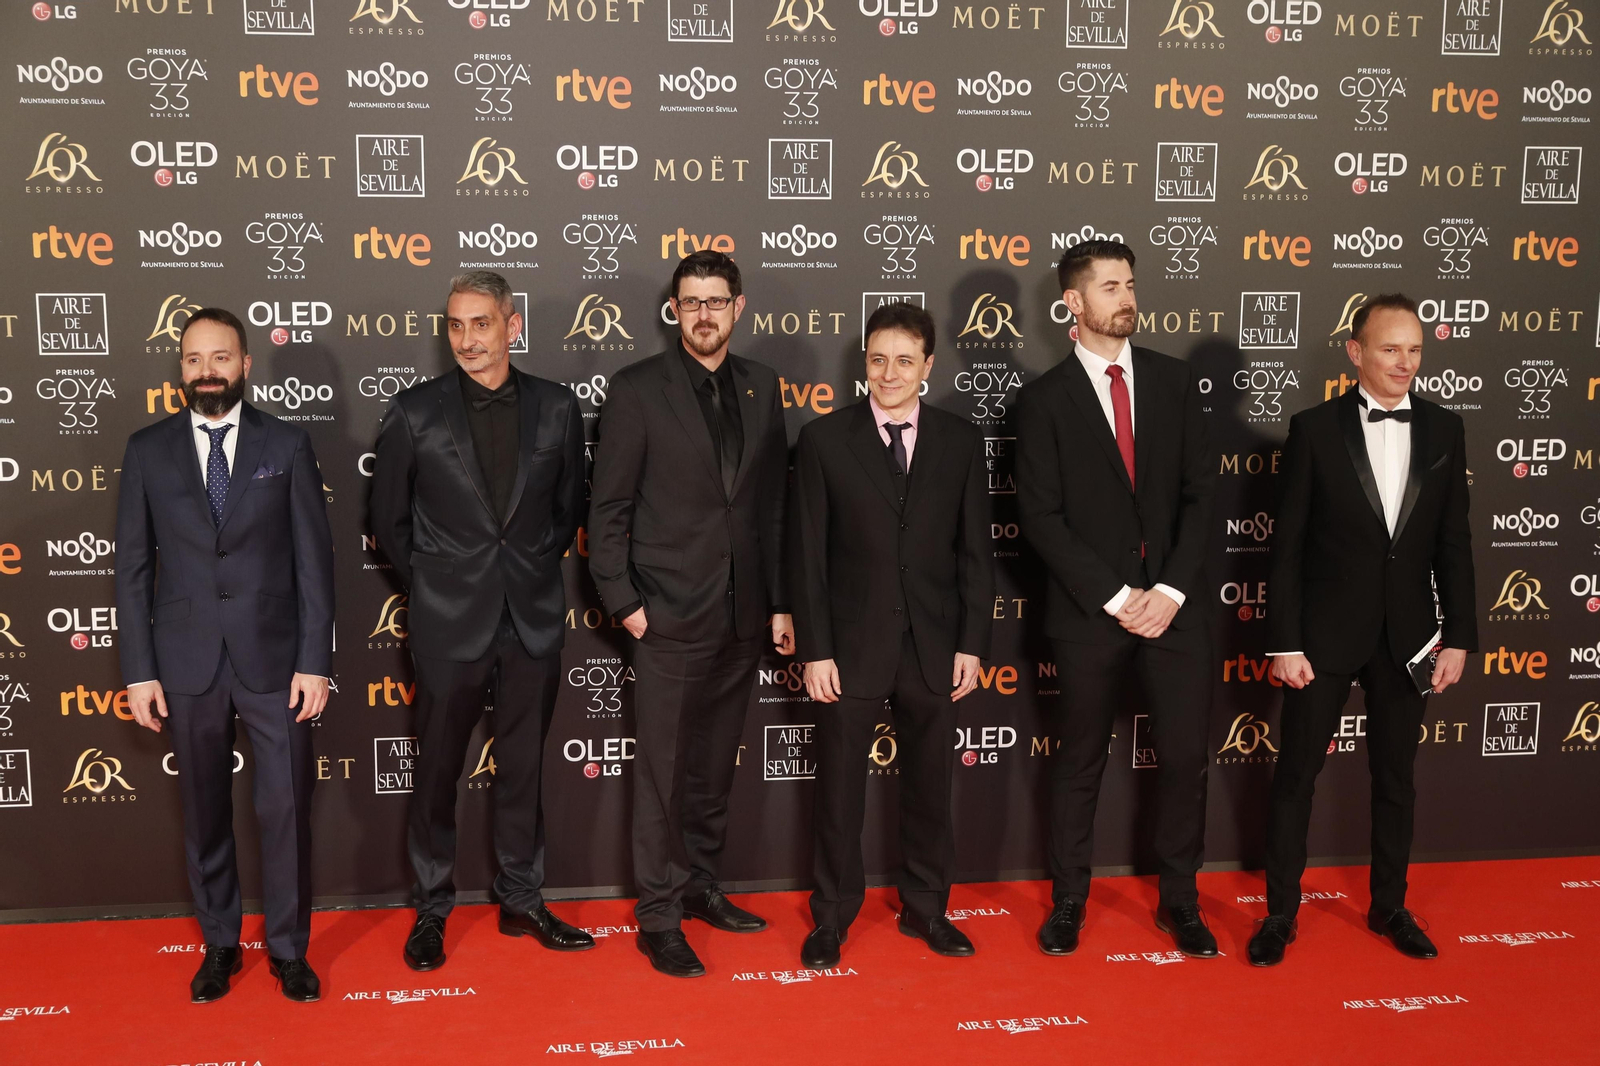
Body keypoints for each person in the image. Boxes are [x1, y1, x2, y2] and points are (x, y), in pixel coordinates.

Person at [370, 271, 591, 972]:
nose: (467, 339)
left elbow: (567, 511)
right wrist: (439, 582)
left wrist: (518, 569)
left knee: (523, 769)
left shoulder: (558, 410)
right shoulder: (414, 413)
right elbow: (388, 523)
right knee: (437, 771)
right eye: (456, 326)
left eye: (481, 324)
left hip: (530, 617)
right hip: (446, 623)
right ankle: (432, 908)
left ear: (512, 325)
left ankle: (522, 901)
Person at [1249, 293, 1476, 967]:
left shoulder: (1444, 429)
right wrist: (1284, 640)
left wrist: (1458, 634)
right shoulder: (1314, 429)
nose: (1404, 362)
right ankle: (1280, 916)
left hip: (1410, 638)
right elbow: (1284, 547)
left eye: (1414, 350)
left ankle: (1390, 907)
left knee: (1396, 779)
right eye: (1389, 348)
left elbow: (1453, 543)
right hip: (1320, 638)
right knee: (1296, 776)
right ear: (1355, 352)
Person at [116, 307, 334, 1004]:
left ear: (245, 364)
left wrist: (315, 659)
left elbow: (315, 565)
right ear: (179, 370)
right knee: (205, 811)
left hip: (276, 661)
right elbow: (131, 571)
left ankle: (289, 951)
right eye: (192, 360)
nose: (206, 372)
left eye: (219, 358)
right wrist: (140, 670)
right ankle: (218, 946)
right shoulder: (147, 450)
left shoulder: (288, 444)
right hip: (186, 663)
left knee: (286, 810)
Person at [588, 250, 793, 978]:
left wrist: (779, 601)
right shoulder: (637, 389)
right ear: (673, 310)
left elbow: (770, 505)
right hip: (667, 616)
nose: (703, 314)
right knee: (662, 777)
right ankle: (659, 915)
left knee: (711, 769)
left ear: (739, 307)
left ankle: (703, 887)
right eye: (690, 302)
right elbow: (607, 508)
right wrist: (625, 604)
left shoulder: (764, 386)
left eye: (716, 301)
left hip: (742, 618)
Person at [1015, 240, 1218, 959]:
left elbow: (1203, 496)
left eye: (1129, 284)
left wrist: (1165, 591)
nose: (1126, 297)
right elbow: (1040, 517)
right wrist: (1114, 595)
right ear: (1073, 303)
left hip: (1176, 611)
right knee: (1078, 762)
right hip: (1088, 615)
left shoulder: (1174, 381)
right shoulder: (1041, 401)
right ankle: (1069, 900)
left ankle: (1181, 901)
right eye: (1109, 287)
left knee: (1187, 759)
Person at [789, 301, 993, 969]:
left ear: (928, 366)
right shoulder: (823, 441)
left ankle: (928, 910)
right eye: (878, 360)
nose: (889, 373)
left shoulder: (962, 442)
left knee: (932, 786)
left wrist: (972, 643)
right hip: (848, 648)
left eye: (905, 361)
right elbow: (807, 556)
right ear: (864, 364)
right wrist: (815, 648)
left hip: (935, 647)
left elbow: (976, 554)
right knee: (839, 790)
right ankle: (831, 918)